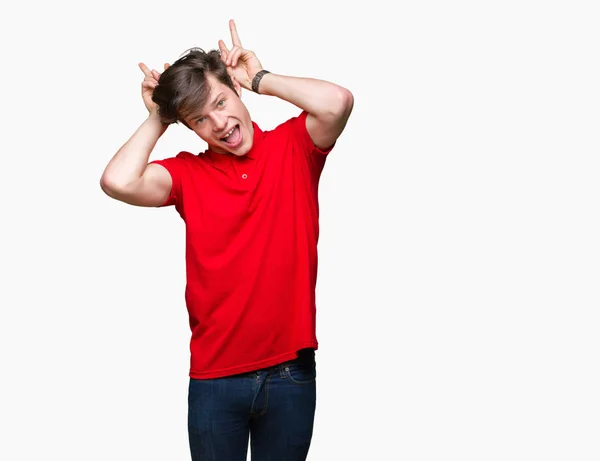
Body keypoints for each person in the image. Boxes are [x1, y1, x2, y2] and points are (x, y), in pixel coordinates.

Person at [100, 19, 353, 461]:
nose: (219, 123)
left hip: (290, 373)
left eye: (221, 101)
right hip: (216, 378)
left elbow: (338, 102)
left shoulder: (293, 147)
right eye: (199, 118)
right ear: (190, 128)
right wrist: (160, 115)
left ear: (236, 91)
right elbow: (118, 181)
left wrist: (260, 78)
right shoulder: (186, 173)